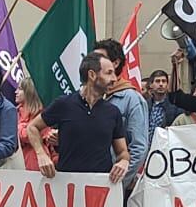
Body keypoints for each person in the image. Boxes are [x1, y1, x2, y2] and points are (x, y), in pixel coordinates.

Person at [31, 54, 130, 183]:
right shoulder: (64, 104)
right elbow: (32, 127)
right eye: (109, 73)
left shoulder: (113, 112)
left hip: (100, 189)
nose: (114, 79)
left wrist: (124, 161)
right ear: (92, 75)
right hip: (65, 187)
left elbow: (123, 152)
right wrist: (41, 154)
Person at [92, 40, 149, 187]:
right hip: (90, 180)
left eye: (100, 58)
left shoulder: (132, 99)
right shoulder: (93, 97)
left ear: (115, 64)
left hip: (111, 184)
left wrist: (117, 183)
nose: (93, 62)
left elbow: (139, 148)